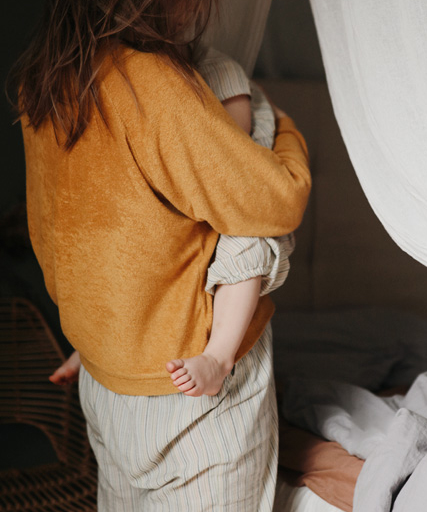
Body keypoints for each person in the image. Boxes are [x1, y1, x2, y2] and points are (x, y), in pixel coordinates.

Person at [13, 0, 311, 512]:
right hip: (191, 397)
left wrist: (93, 335)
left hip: (108, 383)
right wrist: (286, 130)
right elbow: (273, 202)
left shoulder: (49, 78)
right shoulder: (151, 83)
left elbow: (58, 238)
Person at [50, 47, 296, 396]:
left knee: (246, 245)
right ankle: (92, 347)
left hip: (237, 194)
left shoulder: (219, 69)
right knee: (119, 253)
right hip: (179, 195)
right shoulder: (122, 78)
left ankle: (218, 358)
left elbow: (229, 165)